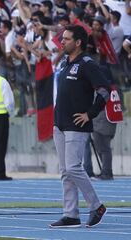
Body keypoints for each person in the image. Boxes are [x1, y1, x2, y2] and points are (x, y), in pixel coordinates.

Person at [50, 25, 109, 228]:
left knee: (74, 168)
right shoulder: (65, 63)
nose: (62, 42)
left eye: (66, 39)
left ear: (78, 42)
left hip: (76, 124)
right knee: (65, 171)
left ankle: (96, 205)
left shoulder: (87, 64)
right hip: (60, 124)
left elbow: (104, 91)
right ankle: (71, 214)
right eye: (62, 38)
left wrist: (90, 114)